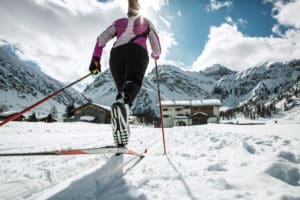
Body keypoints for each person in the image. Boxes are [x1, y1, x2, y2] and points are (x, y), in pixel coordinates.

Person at [89, 0, 161, 147]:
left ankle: (122, 134)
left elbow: (101, 39)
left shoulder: (118, 22)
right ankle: (122, 116)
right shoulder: (146, 21)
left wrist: (95, 59)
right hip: (137, 52)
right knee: (133, 83)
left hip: (116, 55)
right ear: (140, 10)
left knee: (122, 92)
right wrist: (155, 55)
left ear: (128, 11)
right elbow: (157, 47)